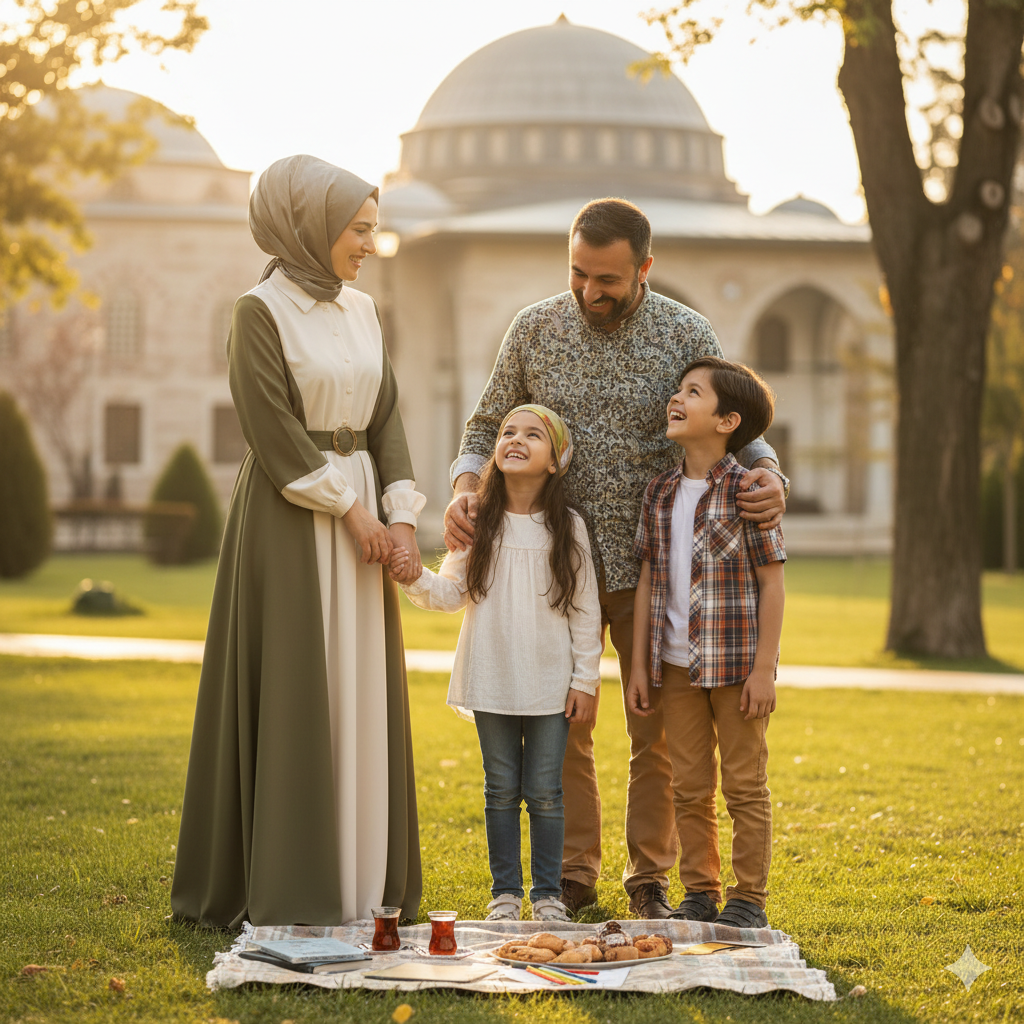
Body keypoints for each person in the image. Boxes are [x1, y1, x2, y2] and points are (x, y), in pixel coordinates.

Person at [445, 198, 789, 919]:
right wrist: (466, 485)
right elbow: (484, 423)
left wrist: (772, 477)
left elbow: (739, 420)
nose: (589, 292)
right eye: (578, 274)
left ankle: (650, 878)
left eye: (607, 279)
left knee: (655, 734)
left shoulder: (684, 330)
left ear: (645, 268)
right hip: (548, 565)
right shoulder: (534, 328)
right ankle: (571, 874)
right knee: (562, 724)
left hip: (654, 572)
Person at [171, 155, 423, 929]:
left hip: (365, 520)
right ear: (311, 227)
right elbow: (274, 432)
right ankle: (295, 881)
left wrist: (402, 516)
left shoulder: (365, 311)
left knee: (359, 685)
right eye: (358, 230)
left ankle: (365, 882)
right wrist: (352, 513)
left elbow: (385, 419)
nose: (368, 246)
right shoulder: (258, 311)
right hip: (292, 517)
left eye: (375, 231)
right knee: (297, 689)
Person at [390, 405, 601, 923]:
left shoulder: (567, 527)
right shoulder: (479, 522)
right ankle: (505, 894)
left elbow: (585, 611)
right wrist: (412, 575)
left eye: (533, 435)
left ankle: (548, 895)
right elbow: (450, 592)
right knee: (501, 789)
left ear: (556, 461)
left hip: (551, 685)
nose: (515, 439)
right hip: (493, 678)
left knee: (546, 792)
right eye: (507, 431)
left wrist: (585, 681)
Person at [627, 356, 786, 929]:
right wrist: (642, 666)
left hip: (737, 669)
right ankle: (700, 890)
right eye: (679, 389)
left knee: (744, 785)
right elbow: (648, 577)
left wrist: (765, 669)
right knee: (689, 785)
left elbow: (773, 583)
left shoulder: (750, 491)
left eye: (693, 392)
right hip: (674, 669)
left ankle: (748, 899)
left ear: (727, 421)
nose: (677, 398)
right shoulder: (660, 491)